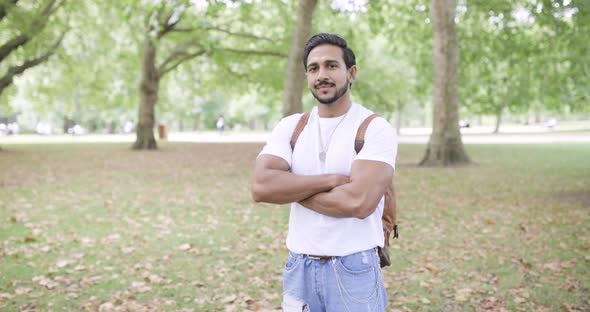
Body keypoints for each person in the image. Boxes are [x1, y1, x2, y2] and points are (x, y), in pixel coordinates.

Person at [251, 33, 398, 311]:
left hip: (354, 268)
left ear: (351, 73)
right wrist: (330, 181)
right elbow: (261, 187)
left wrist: (292, 189)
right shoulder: (291, 127)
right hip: (299, 268)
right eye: (313, 68)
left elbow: (358, 202)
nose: (322, 75)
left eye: (331, 66)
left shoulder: (374, 128)